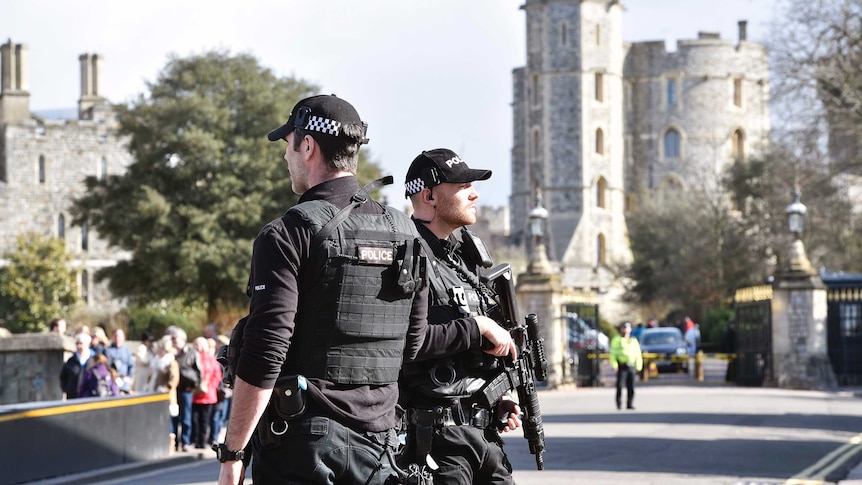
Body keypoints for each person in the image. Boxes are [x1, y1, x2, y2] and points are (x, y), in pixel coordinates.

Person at [217, 95, 514, 485]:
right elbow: (415, 342)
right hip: (380, 447)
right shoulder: (405, 232)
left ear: (307, 146)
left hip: (303, 449)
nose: (287, 157)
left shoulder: (288, 234)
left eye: (288, 145)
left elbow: (267, 350)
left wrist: (234, 454)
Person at [400, 148, 521, 484]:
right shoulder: (408, 254)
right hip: (436, 442)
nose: (475, 193)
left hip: (484, 438)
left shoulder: (466, 259)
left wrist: (500, 396)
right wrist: (478, 326)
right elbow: (411, 342)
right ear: (429, 196)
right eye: (462, 185)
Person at [172, 327, 200, 452]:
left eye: (175, 338)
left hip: (186, 389)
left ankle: (185, 442)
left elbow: (199, 371)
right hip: (173, 390)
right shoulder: (170, 354)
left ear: (183, 339)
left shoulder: (191, 352)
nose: (173, 341)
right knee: (174, 416)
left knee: (186, 417)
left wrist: (194, 385)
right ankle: (174, 443)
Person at [149, 335, 180, 451]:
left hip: (167, 397)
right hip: (155, 395)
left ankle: (170, 445)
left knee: (169, 421)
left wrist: (165, 388)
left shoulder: (171, 362)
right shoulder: (156, 361)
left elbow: (174, 379)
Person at [191, 336, 222, 449]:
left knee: (204, 420)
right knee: (194, 419)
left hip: (208, 394)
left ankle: (202, 441)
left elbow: (217, 375)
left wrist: (209, 386)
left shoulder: (210, 359)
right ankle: (195, 440)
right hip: (195, 394)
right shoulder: (193, 357)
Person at [609, 322, 643, 410]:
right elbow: (613, 354)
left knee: (631, 386)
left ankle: (630, 403)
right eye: (624, 328)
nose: (625, 330)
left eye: (627, 328)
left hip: (631, 366)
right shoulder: (617, 340)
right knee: (620, 386)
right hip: (622, 365)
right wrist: (614, 364)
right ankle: (619, 403)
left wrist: (639, 366)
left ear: (630, 329)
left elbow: (638, 354)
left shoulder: (634, 340)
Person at [60, 332, 93, 399]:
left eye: (81, 343)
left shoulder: (93, 360)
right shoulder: (71, 361)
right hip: (73, 397)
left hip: (89, 397)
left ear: (88, 344)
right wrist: (67, 389)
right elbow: (63, 377)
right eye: (77, 343)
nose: (79, 346)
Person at [105, 328, 135, 393]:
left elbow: (131, 366)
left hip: (124, 381)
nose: (117, 338)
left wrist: (128, 377)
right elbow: (106, 366)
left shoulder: (127, 351)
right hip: (112, 381)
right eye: (115, 336)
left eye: (119, 336)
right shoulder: (107, 350)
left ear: (123, 338)